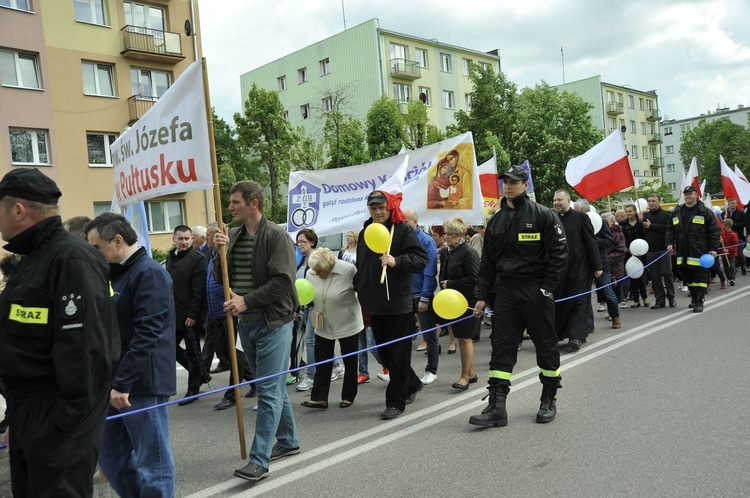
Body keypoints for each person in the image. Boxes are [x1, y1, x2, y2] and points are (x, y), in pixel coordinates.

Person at [0, 168, 119, 496]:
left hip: (57, 419)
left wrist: (59, 426)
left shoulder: (71, 259)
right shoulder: (33, 259)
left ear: (18, 210)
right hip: (31, 413)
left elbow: (85, 350)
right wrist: (17, 419)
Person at [84, 213, 176, 496]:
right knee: (112, 459)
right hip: (113, 383)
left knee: (153, 464)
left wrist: (123, 382)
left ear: (118, 241)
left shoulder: (149, 273)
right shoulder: (114, 274)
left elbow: (148, 332)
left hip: (140, 383)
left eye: (96, 247)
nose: (93, 253)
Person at [214, 180, 300, 482]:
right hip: (246, 324)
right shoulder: (233, 236)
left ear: (254, 203)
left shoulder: (277, 236)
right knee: (272, 386)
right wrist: (218, 252)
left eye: (235, 202)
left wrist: (246, 301)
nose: (230, 207)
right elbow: (220, 275)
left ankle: (259, 460)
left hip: (274, 323)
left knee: (267, 390)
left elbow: (282, 283)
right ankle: (288, 440)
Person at [469, 165, 568, 427]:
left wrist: (547, 288)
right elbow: (487, 262)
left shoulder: (543, 215)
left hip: (536, 290)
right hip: (507, 292)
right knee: (501, 347)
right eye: (506, 182)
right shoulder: (497, 219)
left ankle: (549, 398)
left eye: (514, 182)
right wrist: (481, 295)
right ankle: (497, 407)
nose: (509, 186)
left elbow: (560, 254)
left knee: (546, 346)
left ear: (525, 185)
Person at [356, 190, 428, 420]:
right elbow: (363, 266)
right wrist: (361, 292)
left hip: (398, 303)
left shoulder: (403, 229)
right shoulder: (365, 232)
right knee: (384, 354)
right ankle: (413, 383)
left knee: (397, 355)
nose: (377, 212)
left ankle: (395, 402)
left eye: (381, 208)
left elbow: (421, 259)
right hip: (374, 303)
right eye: (373, 208)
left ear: (388, 208)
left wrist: (397, 261)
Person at [300, 248, 363, 408]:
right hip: (323, 322)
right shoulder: (311, 273)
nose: (316, 273)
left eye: (320, 270)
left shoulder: (347, 270)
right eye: (314, 270)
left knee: (349, 360)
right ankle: (319, 398)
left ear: (329, 266)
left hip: (348, 320)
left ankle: (348, 396)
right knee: (322, 361)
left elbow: (360, 289)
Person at [552, 189, 602, 349]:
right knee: (560, 302)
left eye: (560, 200)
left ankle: (576, 337)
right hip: (559, 269)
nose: (557, 203)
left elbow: (591, 242)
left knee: (579, 302)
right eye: (554, 200)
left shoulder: (581, 218)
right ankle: (559, 334)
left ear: (568, 200)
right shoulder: (551, 219)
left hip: (580, 268)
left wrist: (597, 266)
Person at [166, 225, 209, 405]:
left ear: (192, 239)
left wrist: (192, 315)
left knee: (193, 352)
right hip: (173, 314)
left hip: (191, 315)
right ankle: (201, 374)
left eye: (187, 239)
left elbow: (199, 290)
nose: (184, 242)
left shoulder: (198, 259)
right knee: (170, 348)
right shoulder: (170, 258)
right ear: (174, 239)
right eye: (180, 239)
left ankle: (193, 389)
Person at [439, 216, 480, 389]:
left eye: (450, 234)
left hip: (467, 301)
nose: (446, 236)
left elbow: (475, 278)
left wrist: (451, 284)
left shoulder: (468, 252)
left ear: (460, 234)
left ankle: (464, 376)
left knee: (464, 338)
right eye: (445, 233)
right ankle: (471, 372)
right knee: (461, 336)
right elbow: (443, 273)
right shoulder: (446, 251)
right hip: (452, 301)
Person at [666, 185, 721, 313]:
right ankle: (694, 296)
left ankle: (699, 300)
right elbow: (670, 229)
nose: (688, 196)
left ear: (697, 195)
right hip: (682, 250)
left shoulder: (705, 212)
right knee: (686, 275)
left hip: (699, 250)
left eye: (690, 193)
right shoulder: (677, 211)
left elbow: (714, 231)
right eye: (686, 194)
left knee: (700, 276)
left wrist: (713, 248)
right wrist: (669, 242)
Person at [404, 208, 439, 385]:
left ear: (415, 222)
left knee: (429, 333)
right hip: (405, 295)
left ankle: (431, 370)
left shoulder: (426, 240)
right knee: (403, 335)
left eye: (407, 222)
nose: (403, 225)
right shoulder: (401, 239)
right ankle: (401, 372)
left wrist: (425, 297)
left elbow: (430, 271)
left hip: (420, 294)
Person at [642, 193, 676, 308]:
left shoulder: (667, 214)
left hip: (663, 249)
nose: (651, 203)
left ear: (659, 201)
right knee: (655, 276)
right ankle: (659, 300)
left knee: (667, 273)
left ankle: (671, 297)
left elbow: (668, 229)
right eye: (649, 201)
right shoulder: (645, 215)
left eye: (653, 201)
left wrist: (651, 226)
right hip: (650, 250)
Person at [622, 204, 649, 307]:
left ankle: (645, 297)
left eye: (630, 211)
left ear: (635, 211)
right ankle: (635, 300)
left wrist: (640, 223)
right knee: (632, 276)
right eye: (627, 211)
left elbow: (642, 235)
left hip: (640, 251)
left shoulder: (641, 222)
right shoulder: (623, 224)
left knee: (640, 276)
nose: (628, 213)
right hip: (628, 253)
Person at [602, 213, 627, 307]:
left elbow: (621, 250)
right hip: (604, 265)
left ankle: (614, 310)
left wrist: (606, 258)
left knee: (616, 288)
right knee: (606, 288)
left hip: (615, 264)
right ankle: (609, 308)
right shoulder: (600, 233)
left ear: (612, 222)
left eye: (606, 221)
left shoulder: (618, 233)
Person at [724, 198, 746, 275]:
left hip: (737, 235)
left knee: (738, 253)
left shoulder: (741, 213)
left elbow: (744, 223)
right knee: (730, 253)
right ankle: (733, 269)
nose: (732, 204)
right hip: (727, 235)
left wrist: (734, 224)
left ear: (736, 204)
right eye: (731, 203)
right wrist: (724, 218)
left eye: (734, 203)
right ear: (728, 204)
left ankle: (743, 266)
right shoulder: (725, 212)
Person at [720, 219, 738, 286]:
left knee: (731, 266)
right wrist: (720, 242)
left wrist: (728, 249)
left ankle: (732, 278)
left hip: (731, 254)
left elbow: (735, 245)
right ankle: (728, 278)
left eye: (723, 225)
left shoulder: (733, 235)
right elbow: (721, 244)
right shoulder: (722, 234)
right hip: (724, 254)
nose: (722, 226)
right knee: (725, 267)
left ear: (727, 226)